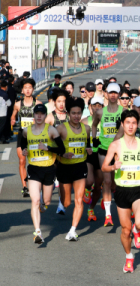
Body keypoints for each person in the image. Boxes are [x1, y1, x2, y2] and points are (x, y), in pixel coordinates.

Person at [101, 109, 140, 273]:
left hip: (138, 188)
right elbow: (103, 166)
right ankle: (129, 256)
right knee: (125, 230)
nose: (131, 126)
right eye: (127, 123)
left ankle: (138, 231)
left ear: (137, 125)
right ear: (122, 124)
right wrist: (112, 166)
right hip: (122, 190)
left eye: (134, 123)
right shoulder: (115, 145)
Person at [20, 104, 65, 244]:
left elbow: (62, 149)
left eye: (42, 114)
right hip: (33, 169)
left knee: (46, 202)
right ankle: (38, 232)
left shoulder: (51, 130)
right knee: (35, 201)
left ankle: (43, 205)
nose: (39, 116)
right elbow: (22, 144)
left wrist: (48, 148)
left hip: (49, 169)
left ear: (45, 116)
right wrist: (23, 151)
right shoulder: (26, 131)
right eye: (37, 113)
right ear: (33, 116)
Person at [56, 97, 92, 241]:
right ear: (68, 113)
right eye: (73, 113)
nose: (76, 116)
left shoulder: (86, 128)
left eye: (79, 113)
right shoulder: (61, 129)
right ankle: (62, 198)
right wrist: (62, 154)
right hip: (64, 167)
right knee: (67, 203)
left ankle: (72, 230)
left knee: (79, 199)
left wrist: (89, 150)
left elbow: (88, 144)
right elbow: (52, 149)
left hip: (80, 167)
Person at [91, 83, 123, 227]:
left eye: (115, 93)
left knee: (116, 182)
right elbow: (93, 125)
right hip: (104, 149)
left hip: (119, 150)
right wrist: (94, 139)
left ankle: (109, 196)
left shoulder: (124, 111)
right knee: (107, 181)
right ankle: (108, 215)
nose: (113, 95)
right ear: (106, 94)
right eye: (110, 92)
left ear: (119, 94)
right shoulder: (100, 112)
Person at [11, 78, 42, 197]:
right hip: (22, 135)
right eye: (26, 88)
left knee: (34, 161)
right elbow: (13, 116)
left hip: (35, 135)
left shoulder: (38, 104)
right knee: (22, 160)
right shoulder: (18, 104)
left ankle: (36, 184)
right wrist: (12, 120)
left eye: (30, 87)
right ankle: (25, 187)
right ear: (22, 90)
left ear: (33, 89)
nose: (28, 90)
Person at [81, 97, 104, 222]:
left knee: (98, 184)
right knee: (89, 181)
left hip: (101, 154)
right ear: (90, 107)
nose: (96, 108)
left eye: (99, 105)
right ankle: (87, 189)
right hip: (89, 155)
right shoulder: (84, 122)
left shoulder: (106, 122)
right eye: (94, 105)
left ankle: (91, 208)